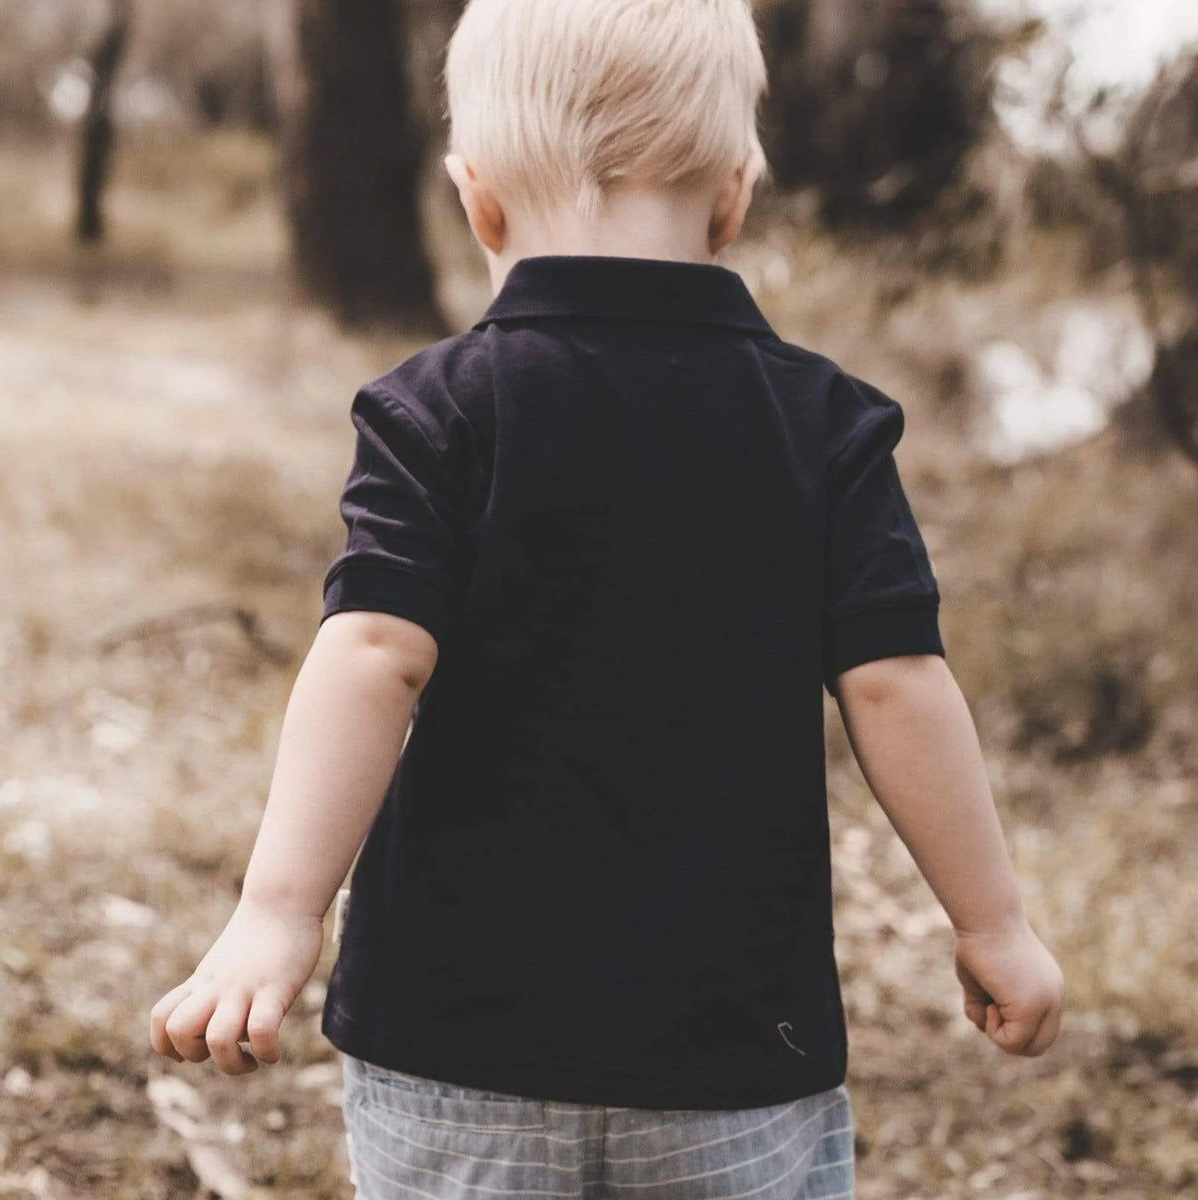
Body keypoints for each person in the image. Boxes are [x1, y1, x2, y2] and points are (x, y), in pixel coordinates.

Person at [149, 1, 1067, 1196]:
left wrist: (278, 913)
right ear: (734, 196)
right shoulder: (826, 425)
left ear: (477, 200)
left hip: (453, 1048)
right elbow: (897, 684)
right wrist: (992, 924)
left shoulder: (439, 411)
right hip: (734, 1053)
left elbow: (372, 653)